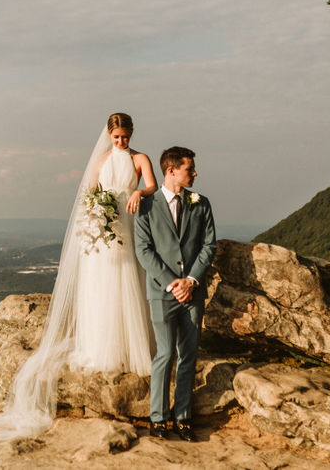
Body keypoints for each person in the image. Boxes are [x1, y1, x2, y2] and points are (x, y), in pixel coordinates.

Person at [0, 112, 158, 441]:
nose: (121, 142)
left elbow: (152, 185)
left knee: (132, 278)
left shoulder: (140, 158)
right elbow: (88, 194)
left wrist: (138, 193)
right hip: (107, 225)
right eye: (117, 137)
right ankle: (103, 345)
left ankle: (133, 344)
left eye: (125, 137)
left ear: (131, 134)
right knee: (104, 284)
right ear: (109, 135)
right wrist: (96, 213)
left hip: (130, 221)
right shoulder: (100, 160)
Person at [134, 146, 216, 442]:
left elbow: (209, 246)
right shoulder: (145, 205)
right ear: (171, 171)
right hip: (161, 291)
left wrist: (191, 281)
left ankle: (183, 418)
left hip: (193, 291)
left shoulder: (200, 203)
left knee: (188, 355)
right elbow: (143, 250)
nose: (194, 174)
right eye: (189, 169)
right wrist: (172, 282)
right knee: (165, 353)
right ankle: (158, 418)